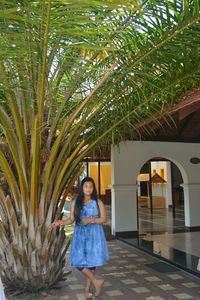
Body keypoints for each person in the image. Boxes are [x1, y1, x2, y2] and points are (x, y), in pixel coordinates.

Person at [52, 177, 109, 299]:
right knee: (77, 261)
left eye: (91, 187)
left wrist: (91, 219)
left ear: (93, 189)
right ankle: (96, 281)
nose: (88, 189)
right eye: (86, 186)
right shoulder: (75, 202)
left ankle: (87, 291)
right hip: (80, 236)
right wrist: (60, 222)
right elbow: (71, 220)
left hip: (94, 236)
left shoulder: (98, 202)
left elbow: (104, 219)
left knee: (91, 264)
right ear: (82, 188)